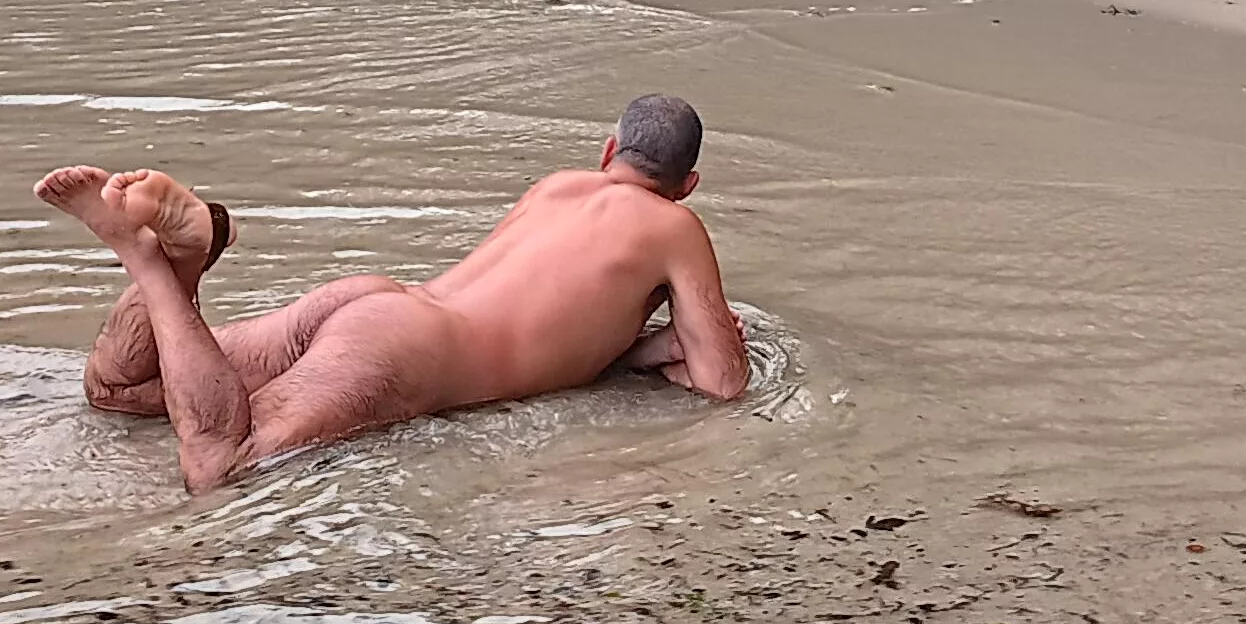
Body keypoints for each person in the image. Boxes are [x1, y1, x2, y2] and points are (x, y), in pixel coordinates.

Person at [37, 92, 749, 492]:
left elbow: (546, 316)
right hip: (406, 352)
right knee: (223, 461)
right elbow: (721, 381)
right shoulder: (676, 226)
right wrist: (657, 351)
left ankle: (194, 254)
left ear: (606, 152)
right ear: (687, 185)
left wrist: (627, 351)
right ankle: (153, 263)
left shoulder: (560, 187)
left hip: (373, 301)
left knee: (121, 392)